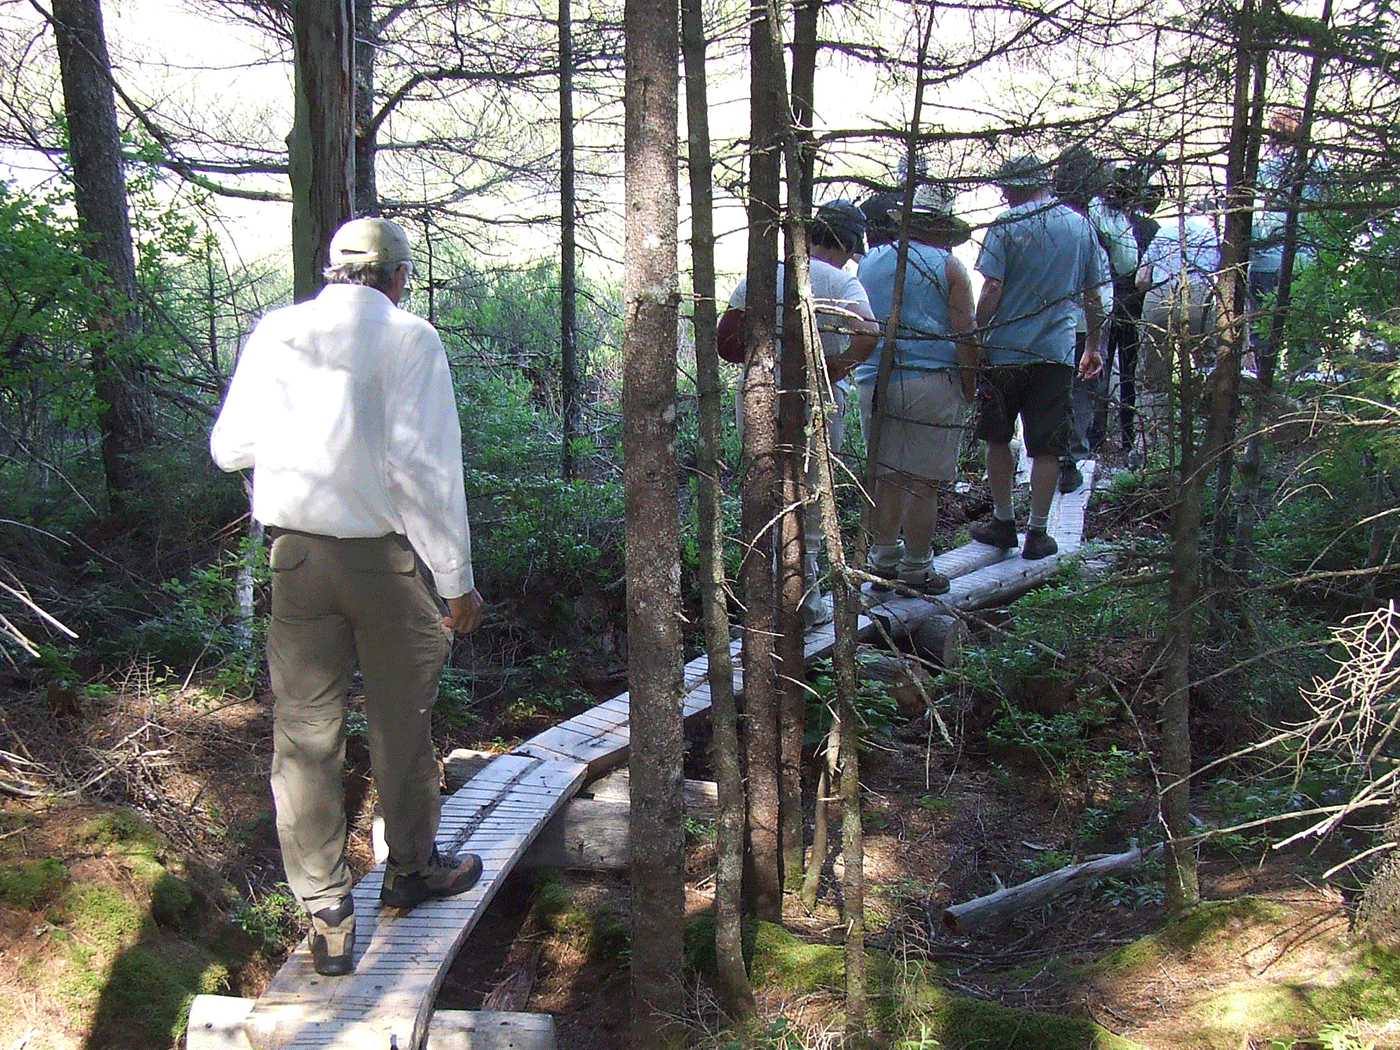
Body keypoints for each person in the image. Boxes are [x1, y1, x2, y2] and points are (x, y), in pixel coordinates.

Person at [210, 217, 485, 978]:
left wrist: (307, 441)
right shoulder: (409, 339)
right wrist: (456, 580)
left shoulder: (276, 331)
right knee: (401, 720)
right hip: (379, 561)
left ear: (332, 270)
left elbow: (229, 446)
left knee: (303, 733)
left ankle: (327, 910)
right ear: (397, 277)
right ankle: (409, 870)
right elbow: (425, 472)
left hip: (295, 560)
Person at [718, 200, 879, 629]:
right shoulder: (843, 284)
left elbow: (725, 341)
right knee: (808, 498)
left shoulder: (764, 273)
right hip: (819, 399)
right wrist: (837, 364)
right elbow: (869, 332)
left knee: (762, 493)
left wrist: (761, 356)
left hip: (758, 395)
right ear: (844, 243)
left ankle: (764, 604)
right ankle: (803, 605)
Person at [968, 153, 1107, 560]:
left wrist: (976, 336)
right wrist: (1093, 346)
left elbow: (992, 287)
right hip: (1055, 353)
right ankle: (1038, 532)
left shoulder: (1006, 225)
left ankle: (1003, 519)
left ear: (1014, 186)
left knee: (997, 436)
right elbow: (1093, 294)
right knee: (1046, 445)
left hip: (1005, 352)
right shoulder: (1079, 225)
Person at [855, 183, 977, 595]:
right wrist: (969, 383)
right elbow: (966, 333)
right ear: (941, 228)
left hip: (875, 379)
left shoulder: (870, 263)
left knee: (886, 475)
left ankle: (882, 561)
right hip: (931, 382)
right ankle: (917, 567)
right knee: (923, 481)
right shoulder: (949, 267)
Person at [1051, 147, 1124, 493]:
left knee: (1049, 384)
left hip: (1048, 314)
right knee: (1082, 387)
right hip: (1089, 315)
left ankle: (1048, 454)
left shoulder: (1043, 212)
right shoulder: (1102, 214)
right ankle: (1069, 457)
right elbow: (1126, 261)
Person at [1133, 202, 1221, 463]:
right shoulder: (1212, 235)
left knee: (1152, 380)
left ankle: (1147, 448)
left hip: (1159, 298)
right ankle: (1208, 441)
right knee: (1209, 368)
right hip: (1199, 300)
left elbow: (1142, 279)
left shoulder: (1166, 229)